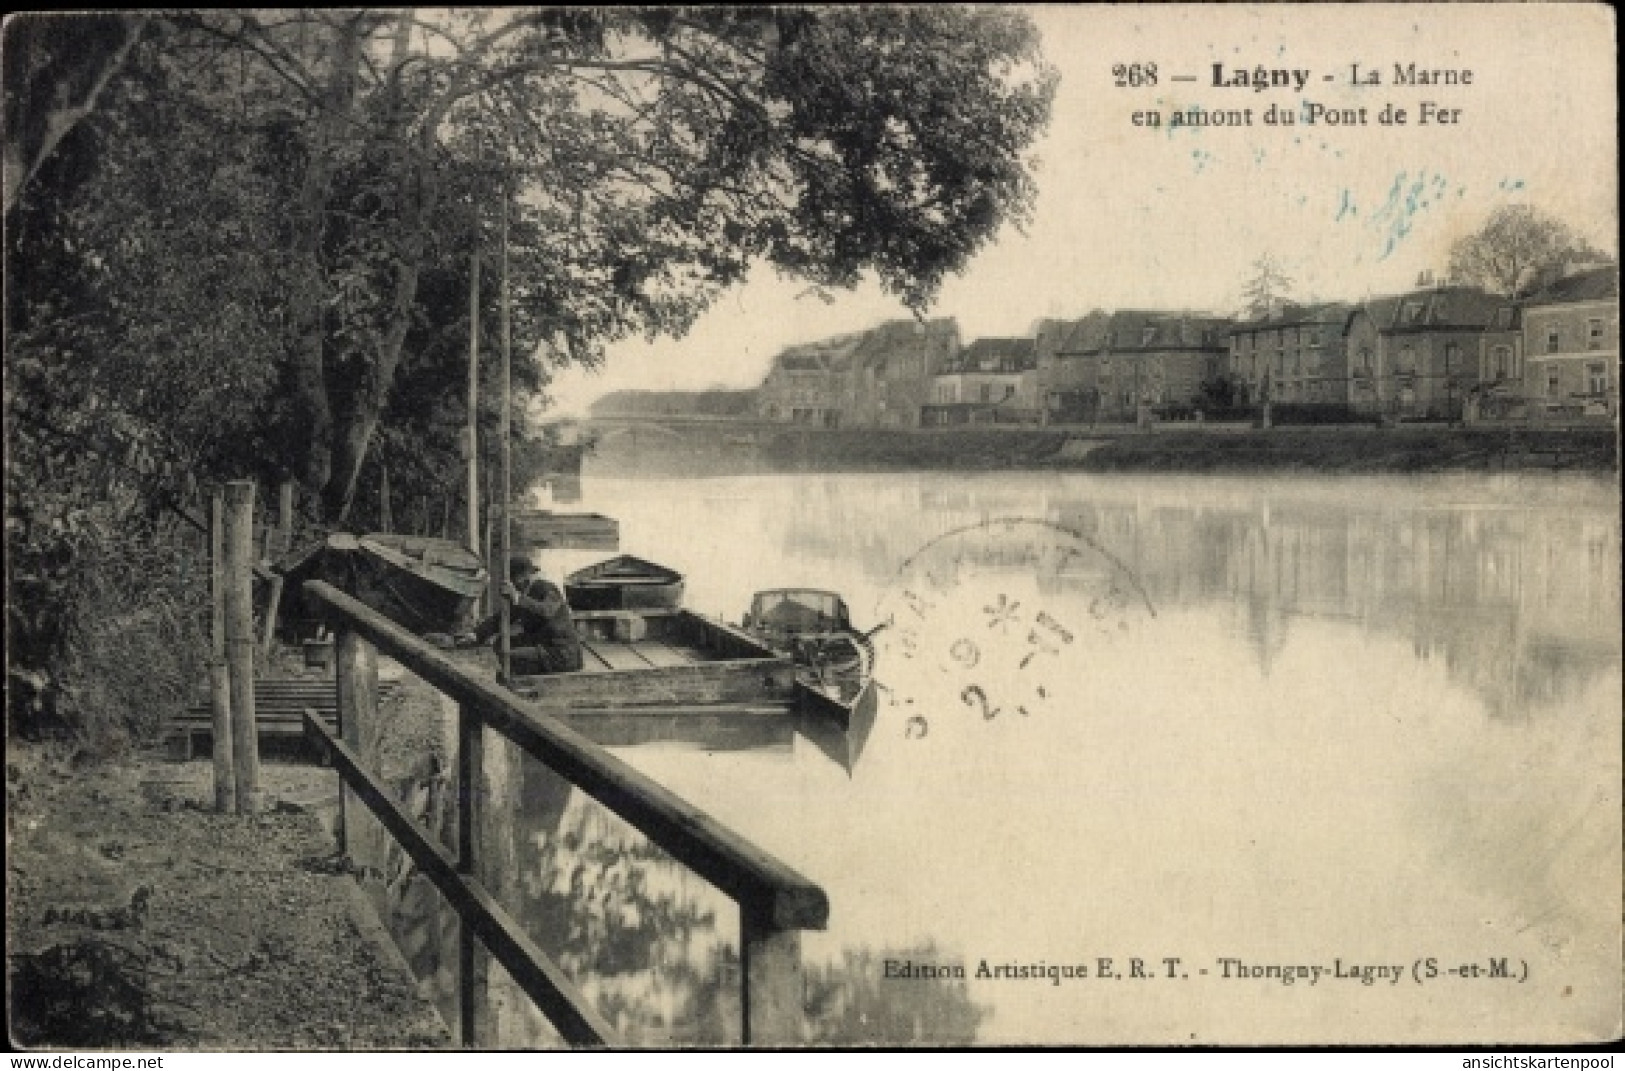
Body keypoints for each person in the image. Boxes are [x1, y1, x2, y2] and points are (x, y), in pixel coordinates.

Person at [458, 556, 583, 675]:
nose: (513, 584)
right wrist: (476, 634)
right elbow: (501, 619)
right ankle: (519, 679)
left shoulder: (547, 588)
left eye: (514, 580)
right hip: (544, 646)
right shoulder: (525, 593)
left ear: (523, 577)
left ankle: (524, 684)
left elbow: (547, 611)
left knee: (508, 656)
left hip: (561, 654)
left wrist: (517, 597)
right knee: (501, 643)